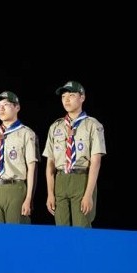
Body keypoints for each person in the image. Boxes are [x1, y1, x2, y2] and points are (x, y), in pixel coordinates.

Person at [43, 80, 106, 227]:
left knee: (81, 228)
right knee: (61, 229)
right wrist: (50, 193)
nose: (66, 99)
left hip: (81, 179)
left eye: (71, 95)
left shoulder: (92, 125)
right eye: (63, 96)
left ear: (82, 97)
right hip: (60, 179)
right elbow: (50, 163)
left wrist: (88, 194)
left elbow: (96, 162)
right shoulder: (55, 127)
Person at [0, 91, 39, 224]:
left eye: (5, 104)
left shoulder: (26, 134)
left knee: (17, 232)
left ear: (17, 107)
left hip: (15, 188)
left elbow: (32, 168)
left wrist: (29, 198)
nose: (1, 109)